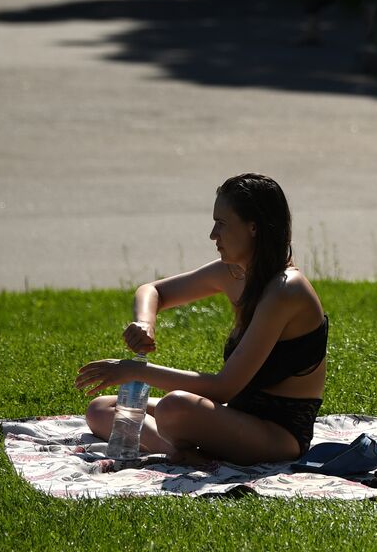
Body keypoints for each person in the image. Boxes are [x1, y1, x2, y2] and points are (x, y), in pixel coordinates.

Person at [75, 173, 327, 466]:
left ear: (253, 227)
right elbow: (153, 290)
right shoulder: (234, 272)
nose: (212, 235)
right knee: (101, 410)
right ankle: (179, 453)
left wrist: (135, 371)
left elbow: (224, 388)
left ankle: (184, 449)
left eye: (221, 223)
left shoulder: (286, 289)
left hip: (279, 437)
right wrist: (145, 322)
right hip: (237, 417)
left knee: (175, 407)